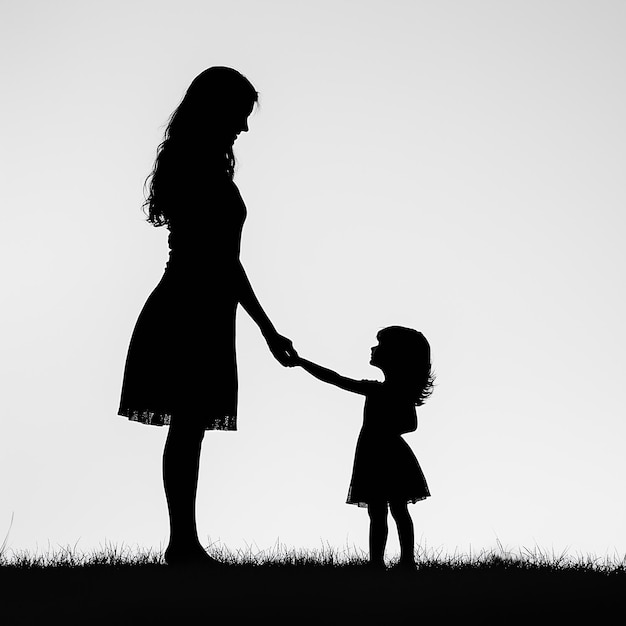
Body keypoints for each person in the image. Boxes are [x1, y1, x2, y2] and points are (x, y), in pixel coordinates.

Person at [118, 67, 296, 566]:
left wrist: (264, 329)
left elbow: (225, 261)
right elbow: (220, 259)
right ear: (217, 109)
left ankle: (184, 543)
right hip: (189, 309)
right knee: (188, 426)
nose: (244, 126)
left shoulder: (205, 164)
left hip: (203, 307)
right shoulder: (199, 167)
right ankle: (183, 545)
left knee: (189, 428)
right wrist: (267, 329)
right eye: (240, 113)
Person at [292, 326, 434, 572]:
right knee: (389, 510)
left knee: (388, 511)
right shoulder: (390, 390)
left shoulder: (386, 391)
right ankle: (390, 563)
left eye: (380, 345)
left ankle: (397, 563)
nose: (373, 348)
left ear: (396, 355)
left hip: (381, 455)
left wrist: (300, 362)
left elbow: (336, 379)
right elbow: (409, 425)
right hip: (385, 454)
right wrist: (301, 362)